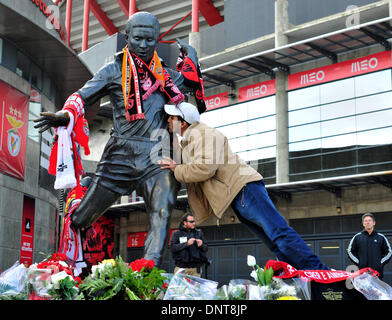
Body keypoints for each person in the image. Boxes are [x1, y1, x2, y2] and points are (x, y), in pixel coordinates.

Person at [33, 11, 205, 266]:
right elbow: (83, 95)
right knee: (81, 218)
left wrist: (191, 56)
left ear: (157, 39)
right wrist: (65, 114)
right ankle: (68, 260)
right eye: (138, 39)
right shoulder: (113, 70)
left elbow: (190, 83)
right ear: (127, 37)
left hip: (158, 153)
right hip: (120, 153)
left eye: (150, 40)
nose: (144, 45)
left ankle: (148, 275)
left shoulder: (167, 76)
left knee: (162, 210)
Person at [158, 102, 329, 271]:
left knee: (278, 232)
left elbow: (205, 168)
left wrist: (177, 169)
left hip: (245, 188)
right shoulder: (191, 140)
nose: (167, 121)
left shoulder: (204, 134)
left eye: (171, 117)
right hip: (239, 193)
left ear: (183, 122)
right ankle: (301, 275)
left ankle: (320, 273)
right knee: (273, 241)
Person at [347, 212, 392, 279]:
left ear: (374, 223)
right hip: (362, 275)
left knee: (377, 290)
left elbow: (389, 252)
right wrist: (359, 262)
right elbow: (350, 251)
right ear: (363, 224)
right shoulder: (357, 237)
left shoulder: (381, 237)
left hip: (377, 275)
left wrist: (380, 263)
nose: (368, 222)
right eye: (366, 221)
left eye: (370, 220)